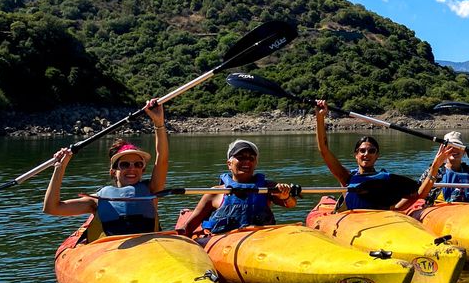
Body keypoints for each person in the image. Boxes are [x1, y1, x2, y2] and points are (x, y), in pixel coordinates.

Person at [43, 100, 168, 235]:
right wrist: (60, 167)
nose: (132, 168)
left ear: (143, 169)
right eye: (125, 164)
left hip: (149, 248)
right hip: (113, 252)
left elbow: (162, 159)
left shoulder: (152, 190)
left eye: (138, 164)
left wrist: (159, 123)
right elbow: (52, 208)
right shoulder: (97, 201)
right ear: (113, 171)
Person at [314, 100, 421, 211]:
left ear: (377, 155)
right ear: (356, 154)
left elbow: (416, 194)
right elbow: (324, 149)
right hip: (355, 222)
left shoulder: (386, 179)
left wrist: (397, 209)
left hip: (381, 220)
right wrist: (320, 117)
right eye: (362, 150)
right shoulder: (346, 177)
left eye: (371, 151)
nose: (366, 154)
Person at [181, 139, 298, 236]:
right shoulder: (215, 192)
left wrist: (285, 195)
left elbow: (291, 204)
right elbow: (190, 226)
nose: (246, 161)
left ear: (255, 163)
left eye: (251, 158)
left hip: (261, 239)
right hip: (225, 244)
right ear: (229, 164)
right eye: (240, 157)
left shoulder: (268, 187)